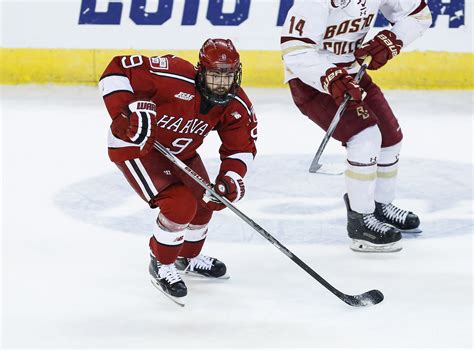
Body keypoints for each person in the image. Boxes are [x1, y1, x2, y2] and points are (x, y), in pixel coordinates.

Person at [98, 38, 257, 304]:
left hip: (179, 153)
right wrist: (121, 115)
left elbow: (241, 147)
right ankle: (161, 263)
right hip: (135, 146)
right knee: (180, 204)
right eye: (215, 74)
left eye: (228, 75)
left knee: (208, 199)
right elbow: (117, 69)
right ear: (200, 70)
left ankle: (187, 257)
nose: (221, 83)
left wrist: (230, 177)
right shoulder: (172, 75)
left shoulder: (236, 104)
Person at [281, 0, 431, 252]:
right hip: (311, 81)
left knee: (390, 137)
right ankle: (360, 222)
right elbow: (295, 51)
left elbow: (419, 16)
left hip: (352, 72)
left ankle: (380, 206)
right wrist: (329, 78)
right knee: (366, 138)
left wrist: (393, 39)